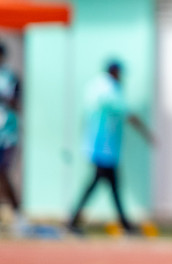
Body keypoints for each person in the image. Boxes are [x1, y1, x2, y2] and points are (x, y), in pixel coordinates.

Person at [68, 60, 154, 235]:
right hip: (103, 147)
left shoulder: (94, 86)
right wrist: (147, 134)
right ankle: (73, 221)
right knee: (102, 185)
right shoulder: (109, 90)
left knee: (109, 185)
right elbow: (127, 113)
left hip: (96, 144)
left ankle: (122, 223)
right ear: (114, 72)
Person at [0, 43, 20, 221]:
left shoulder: (10, 78)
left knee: (3, 172)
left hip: (6, 133)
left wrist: (5, 98)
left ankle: (18, 212)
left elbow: (17, 103)